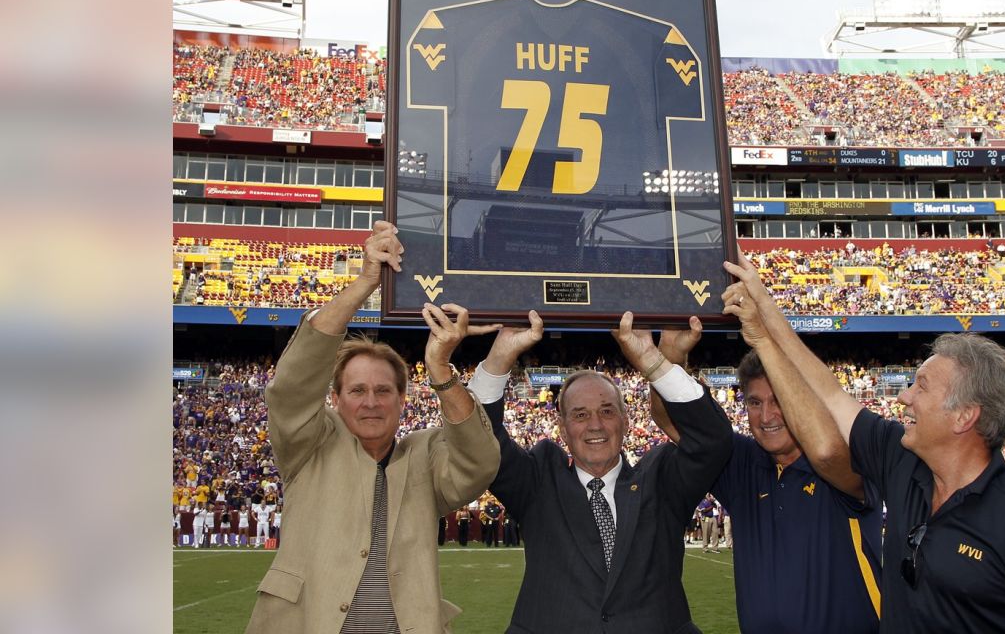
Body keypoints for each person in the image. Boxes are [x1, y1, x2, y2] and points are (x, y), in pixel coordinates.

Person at [723, 252, 1005, 633]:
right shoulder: (900, 463)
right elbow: (832, 396)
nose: (904, 397)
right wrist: (766, 318)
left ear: (964, 415)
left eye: (922, 387)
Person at [245, 221, 502, 634]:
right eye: (357, 390)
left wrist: (440, 368)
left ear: (403, 401)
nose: (370, 402)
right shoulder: (310, 445)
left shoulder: (425, 454)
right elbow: (291, 388)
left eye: (383, 391)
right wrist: (366, 281)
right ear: (335, 399)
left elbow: (480, 462)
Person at [469, 309, 733, 633]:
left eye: (607, 411)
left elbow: (713, 440)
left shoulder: (661, 479)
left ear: (625, 420)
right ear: (563, 429)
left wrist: (652, 359)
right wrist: (499, 358)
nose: (595, 425)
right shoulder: (539, 480)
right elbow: (479, 442)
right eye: (580, 415)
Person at [651, 335, 883, 634]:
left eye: (780, 401)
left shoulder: (845, 458)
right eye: (754, 402)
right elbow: (668, 416)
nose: (766, 416)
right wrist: (671, 351)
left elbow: (827, 453)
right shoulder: (744, 464)